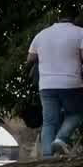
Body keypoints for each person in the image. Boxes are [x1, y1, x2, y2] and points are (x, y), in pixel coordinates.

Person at [28, 13, 83, 158]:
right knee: (76, 114)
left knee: (49, 122)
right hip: (71, 83)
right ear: (72, 21)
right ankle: (60, 139)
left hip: (46, 85)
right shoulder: (79, 32)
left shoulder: (42, 34)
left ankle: (47, 157)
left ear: (57, 21)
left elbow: (30, 57)